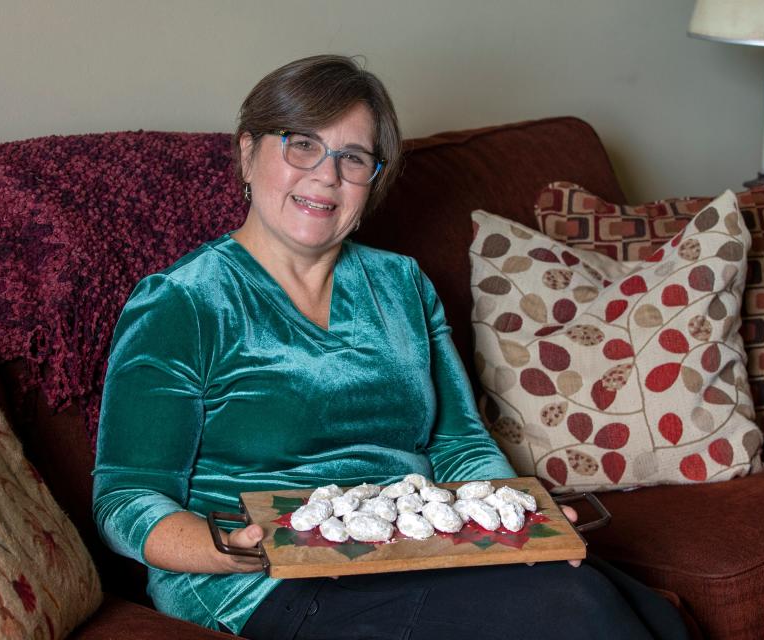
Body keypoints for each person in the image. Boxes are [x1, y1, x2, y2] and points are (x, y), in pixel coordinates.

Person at [93, 55, 689, 639]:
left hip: (419, 546)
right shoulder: (182, 303)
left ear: (373, 180)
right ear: (248, 153)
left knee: (641, 611)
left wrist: (517, 519)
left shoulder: (402, 284)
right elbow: (125, 497)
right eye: (301, 144)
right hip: (267, 580)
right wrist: (227, 551)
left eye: (352, 158)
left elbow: (458, 443)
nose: (326, 175)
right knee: (574, 607)